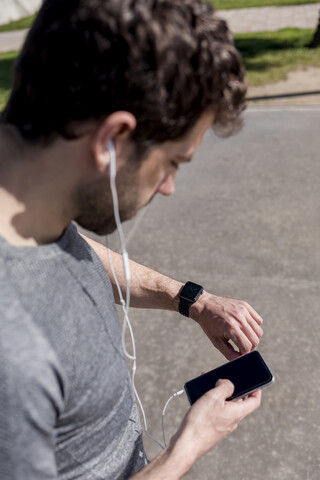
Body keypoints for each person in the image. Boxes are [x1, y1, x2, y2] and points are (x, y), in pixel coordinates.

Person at [0, 0, 263, 478]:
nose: (168, 186)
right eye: (173, 162)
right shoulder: (14, 349)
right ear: (111, 141)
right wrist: (186, 448)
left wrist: (190, 300)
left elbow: (66, 255)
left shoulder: (27, 195)